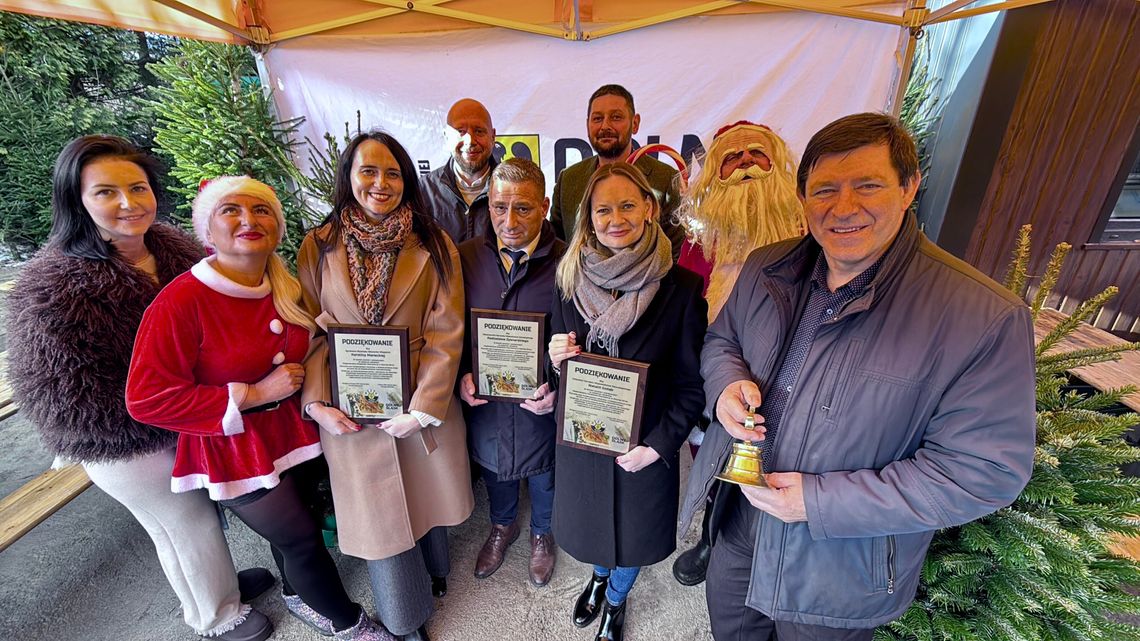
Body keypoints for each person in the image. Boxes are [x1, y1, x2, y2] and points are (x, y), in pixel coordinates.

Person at [681, 112, 1037, 640]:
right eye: (824, 189)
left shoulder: (981, 317)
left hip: (838, 570)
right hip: (736, 532)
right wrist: (728, 381)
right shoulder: (765, 267)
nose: (843, 208)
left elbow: (984, 471)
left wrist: (820, 502)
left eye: (867, 185)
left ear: (909, 187)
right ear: (803, 196)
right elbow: (721, 341)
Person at [7, 136, 273, 641]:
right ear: (76, 201)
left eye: (138, 187)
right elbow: (66, 399)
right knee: (181, 521)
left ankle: (216, 585)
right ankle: (216, 616)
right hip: (125, 438)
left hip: (191, 415)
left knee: (201, 517)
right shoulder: (54, 289)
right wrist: (182, 412)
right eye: (106, 192)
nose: (129, 203)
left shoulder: (174, 248)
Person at [126, 176, 390, 641]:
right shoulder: (180, 302)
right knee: (303, 542)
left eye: (262, 210)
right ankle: (350, 625)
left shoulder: (283, 283)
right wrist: (252, 394)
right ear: (207, 228)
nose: (249, 220)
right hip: (233, 450)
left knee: (303, 526)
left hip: (292, 433)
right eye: (231, 210)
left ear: (278, 227)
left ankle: (296, 595)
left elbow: (314, 344)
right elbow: (146, 399)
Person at [297, 131, 474, 641]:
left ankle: (436, 571)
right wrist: (316, 404)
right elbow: (308, 327)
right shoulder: (319, 243)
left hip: (418, 395)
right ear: (349, 177)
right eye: (368, 171)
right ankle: (406, 617)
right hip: (349, 405)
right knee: (382, 523)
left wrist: (424, 407)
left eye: (393, 172)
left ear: (407, 180)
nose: (380, 183)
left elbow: (448, 330)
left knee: (427, 498)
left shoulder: (434, 242)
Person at [548, 162, 707, 641]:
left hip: (644, 448)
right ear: (587, 218)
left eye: (626, 205)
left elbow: (690, 386)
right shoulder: (569, 280)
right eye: (602, 210)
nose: (614, 218)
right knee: (595, 526)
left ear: (649, 208)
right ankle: (599, 577)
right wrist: (555, 358)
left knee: (633, 540)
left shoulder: (681, 291)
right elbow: (557, 364)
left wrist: (658, 447)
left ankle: (615, 600)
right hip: (586, 441)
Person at [671, 120, 804, 586]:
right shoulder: (699, 242)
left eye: (757, 154)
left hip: (790, 385)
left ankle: (766, 549)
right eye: (733, 158)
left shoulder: (807, 232)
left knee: (781, 468)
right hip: (715, 384)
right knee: (714, 460)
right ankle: (711, 536)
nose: (747, 164)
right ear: (716, 175)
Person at [457, 158, 565, 587]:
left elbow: (581, 336)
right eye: (500, 207)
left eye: (523, 208)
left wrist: (559, 388)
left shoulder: (567, 261)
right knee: (494, 465)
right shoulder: (464, 257)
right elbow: (450, 328)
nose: (509, 220)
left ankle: (542, 533)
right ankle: (503, 526)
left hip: (538, 395)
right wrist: (462, 374)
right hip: (485, 395)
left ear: (545, 205)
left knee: (543, 470)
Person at [550, 84, 684, 258]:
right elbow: (557, 245)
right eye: (597, 119)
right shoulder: (568, 179)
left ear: (635, 123)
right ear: (587, 124)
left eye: (616, 117)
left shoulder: (666, 179)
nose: (605, 126)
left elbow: (676, 253)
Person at [421, 98, 497, 245]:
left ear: (493, 136)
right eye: (460, 131)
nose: (470, 140)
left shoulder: (512, 188)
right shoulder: (424, 190)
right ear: (446, 137)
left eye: (479, 131)